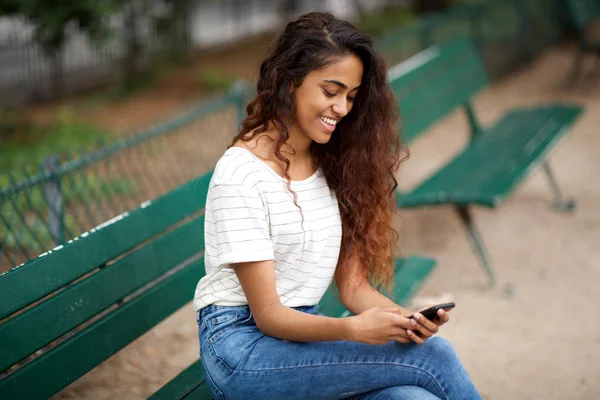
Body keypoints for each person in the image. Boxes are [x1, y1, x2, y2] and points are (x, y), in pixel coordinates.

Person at [193, 11, 481, 400]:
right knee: (434, 356)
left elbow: (353, 289)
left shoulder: (336, 164)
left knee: (414, 398)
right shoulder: (242, 174)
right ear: (290, 82)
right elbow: (269, 314)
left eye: (351, 96)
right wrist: (351, 330)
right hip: (242, 353)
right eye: (331, 91)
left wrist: (405, 322)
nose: (342, 108)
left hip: (303, 340)